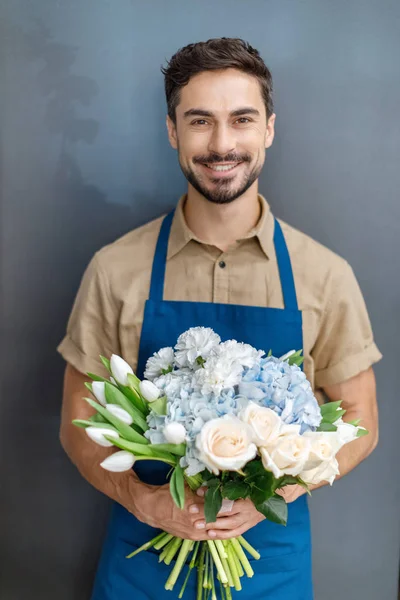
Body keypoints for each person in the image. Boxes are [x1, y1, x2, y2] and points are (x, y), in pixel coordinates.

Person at [57, 37, 382, 600]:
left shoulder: (324, 275)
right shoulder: (115, 269)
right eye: (200, 121)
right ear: (172, 132)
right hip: (142, 564)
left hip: (271, 567)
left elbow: (361, 419)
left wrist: (275, 493)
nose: (222, 143)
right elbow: (78, 420)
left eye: (242, 119)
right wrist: (145, 500)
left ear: (269, 130)